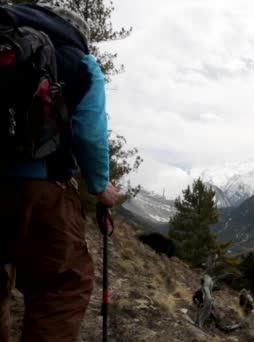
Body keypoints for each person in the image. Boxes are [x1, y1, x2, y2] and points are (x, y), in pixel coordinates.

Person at [0, 3, 118, 341]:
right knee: (61, 288)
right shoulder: (81, 62)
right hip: (44, 190)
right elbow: (90, 135)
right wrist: (99, 186)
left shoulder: (8, 42)